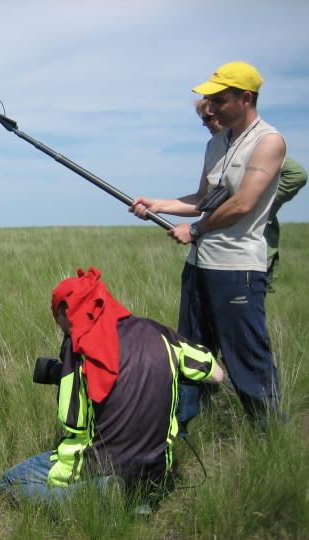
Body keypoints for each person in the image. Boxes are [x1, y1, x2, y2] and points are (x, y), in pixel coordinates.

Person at [129, 61, 286, 427]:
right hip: (199, 267)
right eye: (208, 100)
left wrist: (195, 231)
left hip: (236, 271)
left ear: (245, 98)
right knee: (192, 352)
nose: (210, 108)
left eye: (218, 100)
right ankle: (181, 431)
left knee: (246, 359)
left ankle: (272, 438)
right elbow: (204, 197)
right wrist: (159, 203)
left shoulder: (269, 142)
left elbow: (243, 203)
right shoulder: (217, 142)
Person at [0, 268, 223, 505]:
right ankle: (138, 498)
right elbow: (217, 375)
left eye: (59, 320)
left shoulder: (79, 350)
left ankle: (96, 492)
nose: (60, 328)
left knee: (9, 482)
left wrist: (65, 375)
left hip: (100, 465)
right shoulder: (160, 333)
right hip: (157, 470)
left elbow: (73, 421)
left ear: (67, 312)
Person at [195, 98, 307, 286]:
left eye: (208, 118)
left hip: (250, 250)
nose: (204, 124)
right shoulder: (217, 148)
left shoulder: (255, 146)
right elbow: (202, 196)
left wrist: (259, 199)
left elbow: (297, 175)